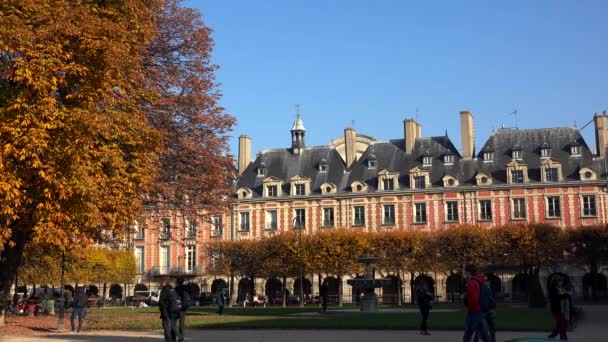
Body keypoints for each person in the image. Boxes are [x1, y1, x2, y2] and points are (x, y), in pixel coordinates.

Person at [462, 265, 491, 342]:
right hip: (480, 309)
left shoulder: (471, 282)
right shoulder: (480, 280)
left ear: (468, 272)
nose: (463, 272)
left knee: (468, 334)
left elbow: (473, 299)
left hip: (473, 311)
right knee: (484, 334)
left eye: (464, 270)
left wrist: (465, 299)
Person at [473, 275, 497, 342]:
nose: (485, 282)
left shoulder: (489, 288)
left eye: (486, 281)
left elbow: (491, 299)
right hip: (484, 311)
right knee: (483, 328)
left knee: (491, 328)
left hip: (488, 310)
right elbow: (484, 301)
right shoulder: (483, 288)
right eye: (484, 281)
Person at [174, 277, 188, 342]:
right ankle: (181, 338)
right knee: (182, 324)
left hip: (178, 307)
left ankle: (179, 337)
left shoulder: (176, 288)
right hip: (184, 307)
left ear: (177, 282)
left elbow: (174, 298)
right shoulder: (186, 288)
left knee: (173, 323)